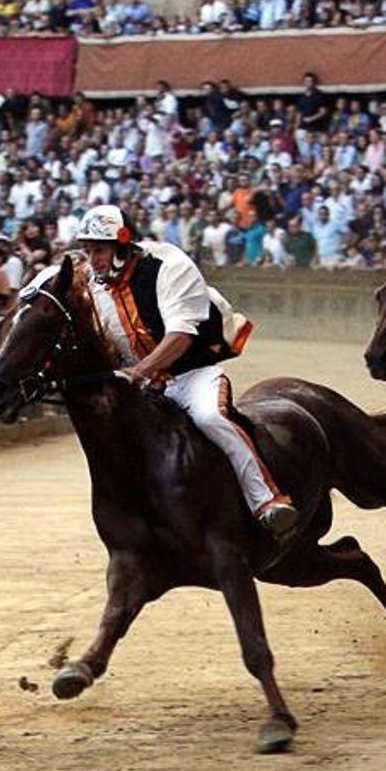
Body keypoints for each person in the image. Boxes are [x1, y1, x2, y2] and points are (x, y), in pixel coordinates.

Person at [73, 204, 297, 539]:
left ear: (122, 246)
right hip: (143, 387)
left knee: (211, 418)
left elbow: (180, 337)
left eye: (100, 250)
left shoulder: (169, 265)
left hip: (191, 375)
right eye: (89, 251)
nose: (94, 260)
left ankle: (267, 501)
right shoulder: (92, 284)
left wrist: (139, 372)